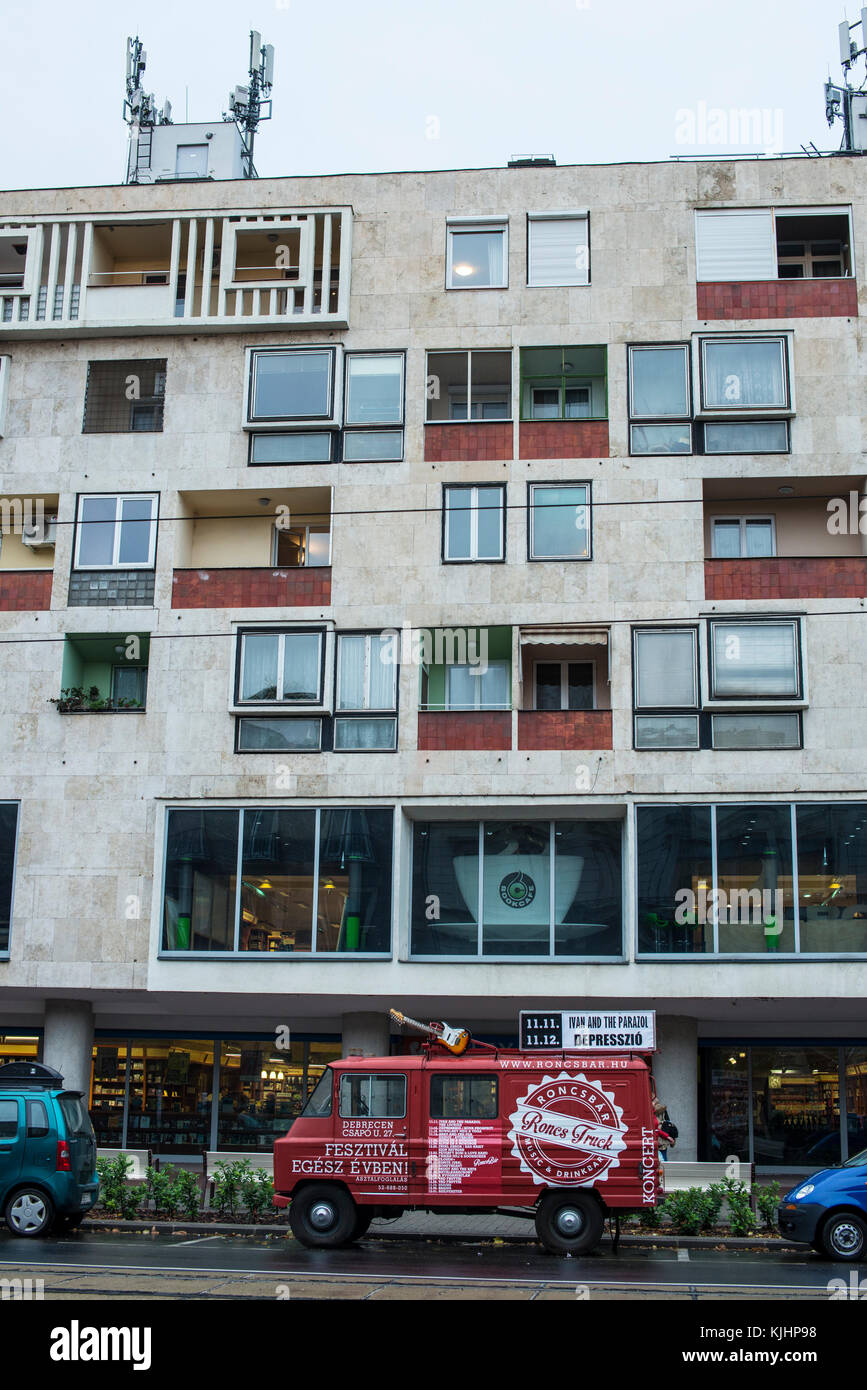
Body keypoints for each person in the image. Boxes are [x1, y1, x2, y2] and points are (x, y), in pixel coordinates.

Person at [653, 1096, 678, 1162]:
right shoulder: (663, 1110)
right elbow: (668, 1124)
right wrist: (670, 1138)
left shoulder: (649, 1112)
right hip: (663, 1140)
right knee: (663, 1162)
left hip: (655, 1139)